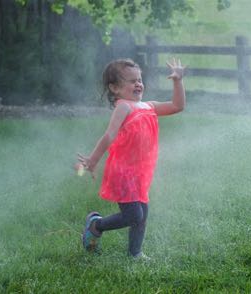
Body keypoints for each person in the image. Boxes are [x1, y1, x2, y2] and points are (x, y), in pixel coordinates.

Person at [77, 57, 185, 259]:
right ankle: (96, 225)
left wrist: (178, 81)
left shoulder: (149, 106)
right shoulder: (124, 107)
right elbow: (109, 135)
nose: (138, 84)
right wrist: (93, 159)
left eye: (140, 79)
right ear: (115, 88)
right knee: (134, 215)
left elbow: (177, 106)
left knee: (142, 216)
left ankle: (135, 253)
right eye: (131, 80)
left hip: (141, 172)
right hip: (123, 171)